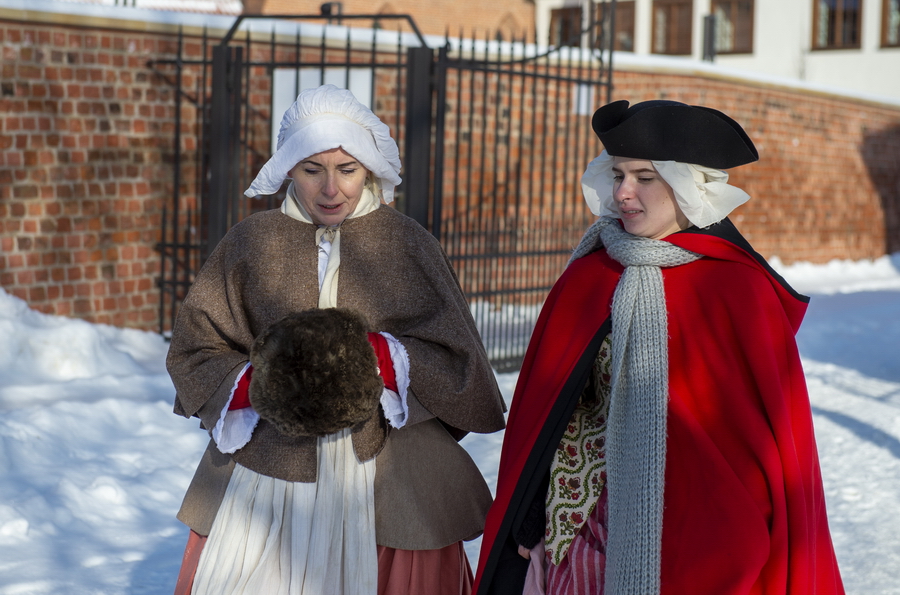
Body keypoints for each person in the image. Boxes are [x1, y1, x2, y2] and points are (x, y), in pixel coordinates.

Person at [472, 100, 845, 595]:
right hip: (581, 527)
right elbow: (551, 415)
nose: (623, 193)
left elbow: (768, 446)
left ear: (689, 186)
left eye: (645, 177)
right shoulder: (590, 273)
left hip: (702, 543)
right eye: (619, 174)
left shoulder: (735, 289)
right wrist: (532, 514)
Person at [167, 84, 506, 595]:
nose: (331, 189)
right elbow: (196, 348)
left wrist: (379, 358)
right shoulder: (250, 243)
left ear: (368, 168)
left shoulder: (408, 243)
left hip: (388, 473)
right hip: (267, 469)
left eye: (346, 170)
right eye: (312, 170)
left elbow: (460, 363)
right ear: (288, 169)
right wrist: (265, 380)